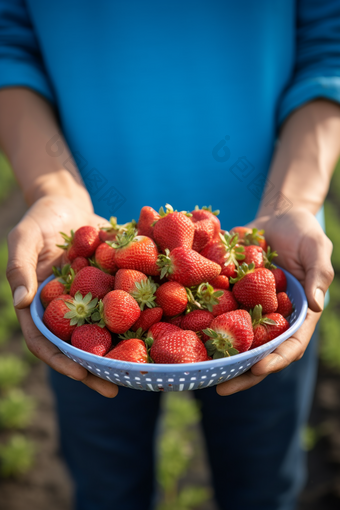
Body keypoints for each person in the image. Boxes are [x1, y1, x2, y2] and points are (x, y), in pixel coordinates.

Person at [0, 1, 339, 509]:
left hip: (272, 253)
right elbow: (9, 46)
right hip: (82, 245)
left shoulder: (245, 282)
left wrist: (297, 200)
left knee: (263, 488)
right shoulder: (113, 290)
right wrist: (54, 188)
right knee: (108, 490)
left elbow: (329, 43)